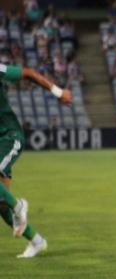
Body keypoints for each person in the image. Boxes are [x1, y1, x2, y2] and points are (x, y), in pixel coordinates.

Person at [0, 62, 72, 258]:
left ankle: (19, 206)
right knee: (1, 203)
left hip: (9, 136)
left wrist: (58, 92)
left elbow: (29, 73)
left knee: (9, 203)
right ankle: (37, 241)